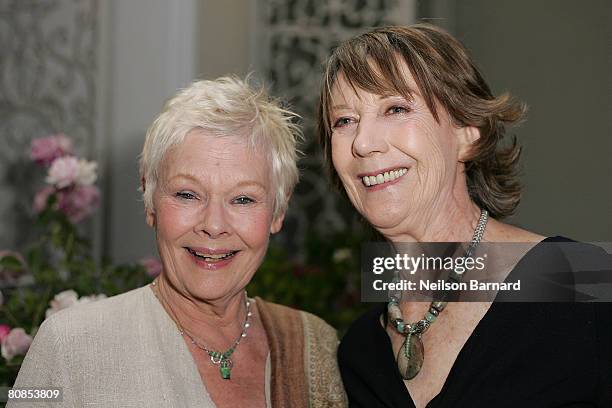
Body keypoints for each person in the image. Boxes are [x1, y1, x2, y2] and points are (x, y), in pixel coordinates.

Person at [317, 24, 612, 407]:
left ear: (467, 130)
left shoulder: (579, 281)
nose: (363, 142)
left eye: (396, 108)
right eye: (344, 121)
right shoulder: (357, 354)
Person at [10, 77, 347, 407]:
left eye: (243, 199)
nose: (214, 226)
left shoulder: (317, 346)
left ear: (278, 211)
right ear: (150, 199)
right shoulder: (70, 345)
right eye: (187, 194)